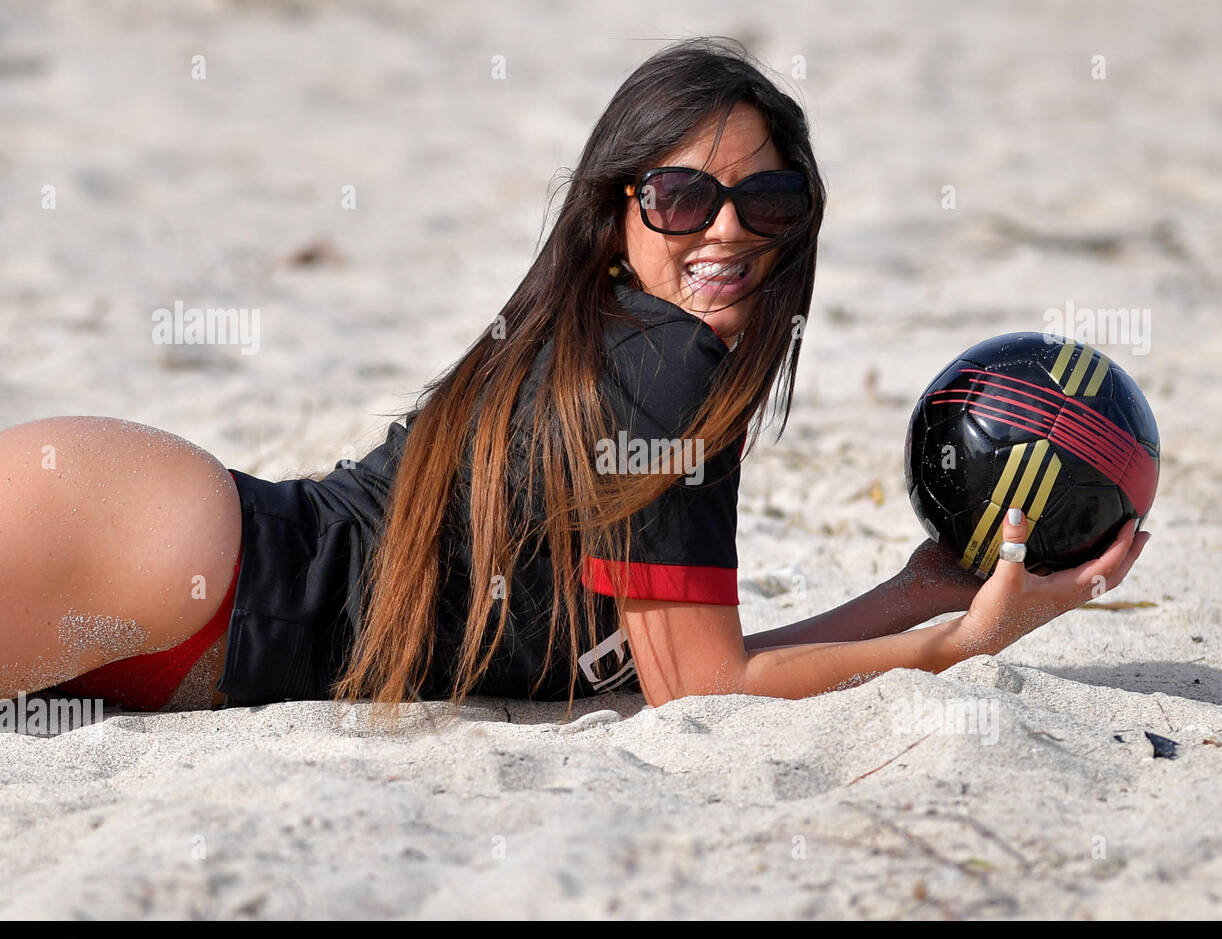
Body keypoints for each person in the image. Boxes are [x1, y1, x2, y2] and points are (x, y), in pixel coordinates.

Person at [0, 38, 1149, 719]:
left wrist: (917, 593)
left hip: (179, 579)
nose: (729, 231)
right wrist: (955, 644)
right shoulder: (666, 362)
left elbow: (683, 668)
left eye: (771, 200)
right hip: (176, 563)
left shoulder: (630, 352)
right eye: (684, 197)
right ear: (616, 214)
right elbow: (707, 689)